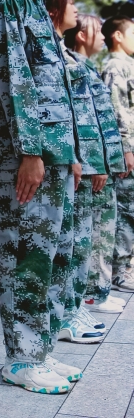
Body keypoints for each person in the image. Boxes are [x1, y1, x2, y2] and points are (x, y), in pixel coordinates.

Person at [0, 0, 82, 393]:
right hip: (28, 154)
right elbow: (13, 78)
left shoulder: (33, 4)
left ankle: (38, 349)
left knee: (47, 256)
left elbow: (54, 86)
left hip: (52, 152)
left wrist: (70, 152)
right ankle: (21, 359)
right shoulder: (9, 1)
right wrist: (30, 150)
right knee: (26, 255)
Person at [41, 0, 108, 344]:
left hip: (76, 162)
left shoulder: (67, 58)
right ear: (54, 11)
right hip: (67, 163)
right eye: (73, 5)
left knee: (77, 242)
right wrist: (79, 158)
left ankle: (70, 308)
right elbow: (72, 118)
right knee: (68, 243)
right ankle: (64, 313)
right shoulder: (54, 55)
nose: (79, 12)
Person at [65, 13, 128, 313]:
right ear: (80, 35)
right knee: (86, 234)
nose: (102, 35)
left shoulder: (88, 68)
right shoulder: (75, 67)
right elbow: (81, 124)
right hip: (89, 167)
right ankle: (87, 294)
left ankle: (96, 290)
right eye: (96, 30)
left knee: (100, 231)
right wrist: (94, 163)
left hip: (100, 164)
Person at [100, 15, 134, 293]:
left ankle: (124, 266)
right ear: (117, 36)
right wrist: (125, 148)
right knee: (125, 211)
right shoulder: (114, 67)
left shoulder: (128, 65)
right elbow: (117, 110)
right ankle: (119, 271)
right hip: (128, 152)